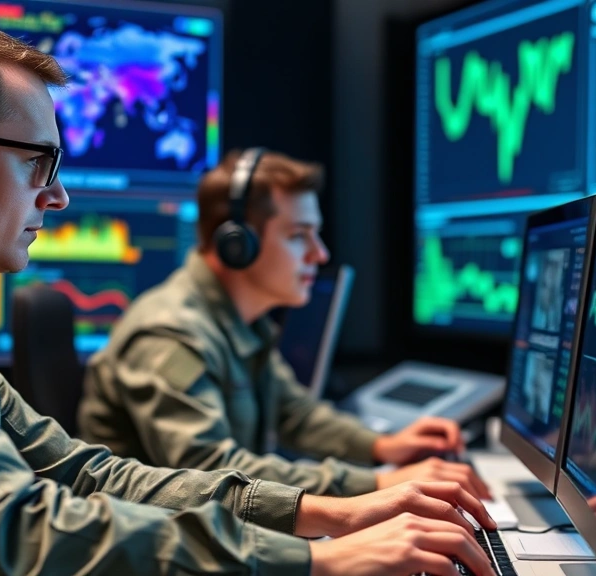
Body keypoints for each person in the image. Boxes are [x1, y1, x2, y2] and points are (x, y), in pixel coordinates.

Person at [0, 20, 498, 575]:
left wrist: (328, 512)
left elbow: (77, 473)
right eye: (40, 161)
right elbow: (10, 535)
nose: (59, 195)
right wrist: (317, 561)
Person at [81, 148, 491, 500]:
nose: (320, 254)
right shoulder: (171, 335)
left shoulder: (241, 322)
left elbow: (295, 414)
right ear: (237, 243)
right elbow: (212, 473)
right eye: (300, 236)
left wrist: (384, 445)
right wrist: (380, 482)